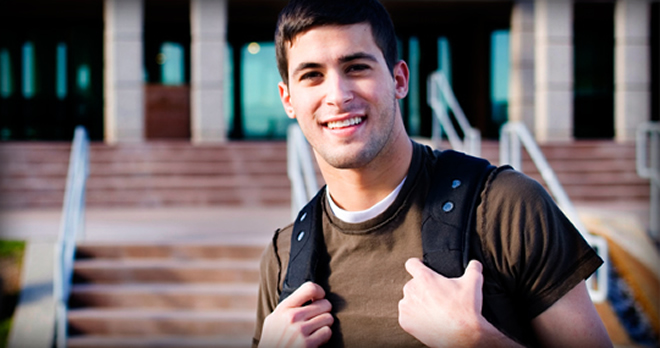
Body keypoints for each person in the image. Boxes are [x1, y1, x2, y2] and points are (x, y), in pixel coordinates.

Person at [253, 0, 612, 347]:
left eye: (356, 68)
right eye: (312, 75)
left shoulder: (505, 208)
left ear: (399, 80)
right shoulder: (285, 258)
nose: (337, 95)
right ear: (288, 99)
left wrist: (477, 342)